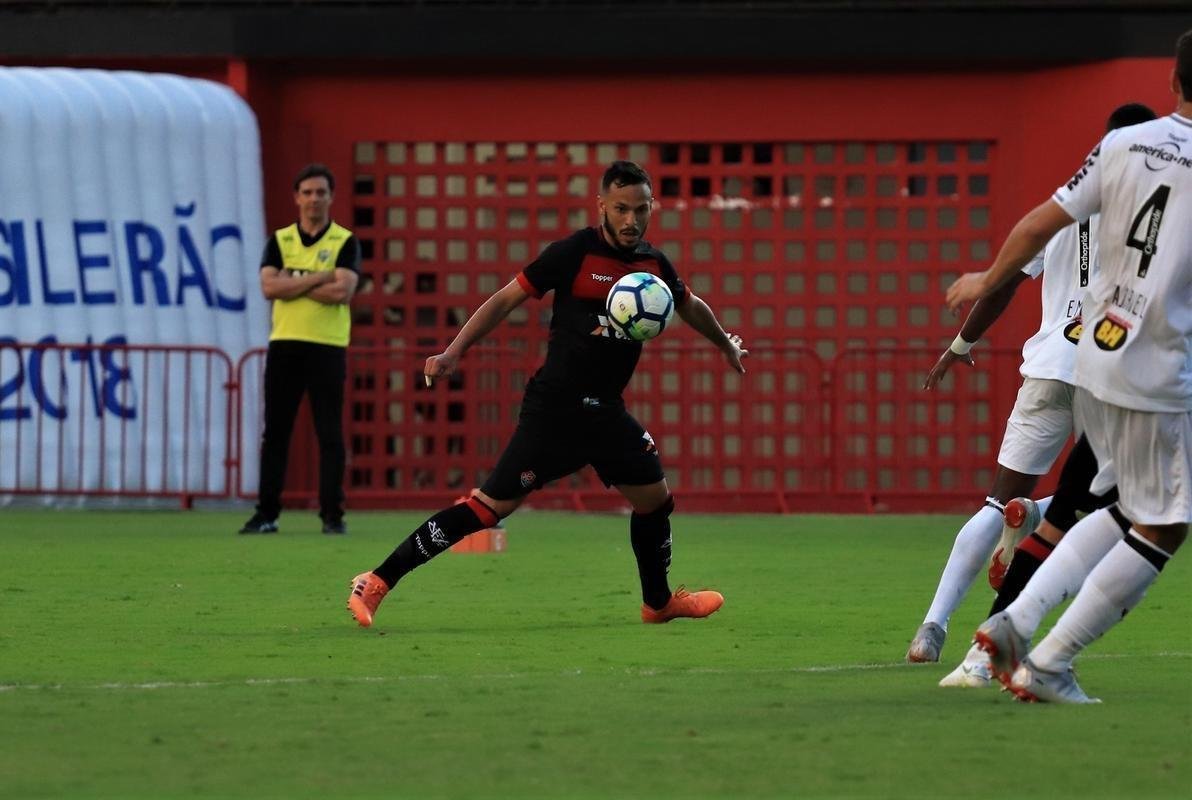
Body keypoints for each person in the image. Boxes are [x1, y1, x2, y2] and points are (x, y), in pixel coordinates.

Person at [347, 160, 747, 627]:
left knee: (655, 500)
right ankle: (375, 581)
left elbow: (689, 304)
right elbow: (504, 299)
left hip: (606, 414)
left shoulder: (653, 265)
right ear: (601, 205)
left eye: (641, 209)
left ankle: (658, 604)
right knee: (487, 509)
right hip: (555, 410)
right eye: (620, 208)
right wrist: (454, 352)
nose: (630, 220)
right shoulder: (574, 253)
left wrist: (724, 343)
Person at [950, 30, 1192, 703]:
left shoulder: (1119, 146)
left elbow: (1037, 222)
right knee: (1165, 522)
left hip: (1099, 359)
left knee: (1117, 509)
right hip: (1159, 362)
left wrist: (985, 278)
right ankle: (1049, 658)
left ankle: (1014, 623)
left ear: (1174, 83)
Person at [906, 104, 1158, 668]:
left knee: (994, 500)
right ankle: (1039, 512)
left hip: (1048, 366)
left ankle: (931, 626)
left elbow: (1003, 283)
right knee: (1118, 499)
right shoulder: (1155, 210)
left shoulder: (1068, 201)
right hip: (1110, 373)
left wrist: (959, 346)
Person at [239, 164, 362, 535]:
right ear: (296, 197)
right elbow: (268, 288)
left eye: (321, 192)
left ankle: (331, 514)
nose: (314, 199)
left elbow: (343, 291)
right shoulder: (280, 240)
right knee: (275, 432)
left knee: (329, 433)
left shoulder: (344, 241)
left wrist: (293, 279)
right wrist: (321, 276)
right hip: (285, 344)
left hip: (327, 346)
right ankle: (267, 513)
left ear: (331, 197)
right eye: (307, 192)